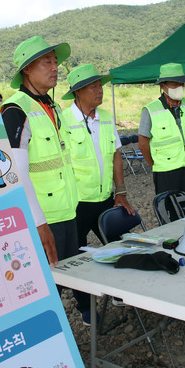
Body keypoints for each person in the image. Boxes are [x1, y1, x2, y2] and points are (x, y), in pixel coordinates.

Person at [0, 36, 93, 324]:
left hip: (66, 211)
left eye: (56, 62)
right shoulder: (16, 110)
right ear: (27, 69)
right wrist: (39, 222)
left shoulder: (50, 106)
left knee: (67, 276)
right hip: (41, 218)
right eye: (47, 62)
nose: (55, 68)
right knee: (40, 286)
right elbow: (16, 173)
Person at [61, 64, 134, 250]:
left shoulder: (107, 117)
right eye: (93, 86)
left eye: (100, 86)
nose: (100, 90)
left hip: (105, 199)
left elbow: (116, 155)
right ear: (78, 91)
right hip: (77, 204)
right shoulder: (63, 121)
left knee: (120, 248)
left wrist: (121, 192)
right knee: (76, 254)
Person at [138, 63, 185, 195]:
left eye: (182, 84)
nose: (179, 87)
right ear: (162, 86)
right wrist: (154, 164)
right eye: (174, 84)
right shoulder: (151, 110)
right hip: (166, 172)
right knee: (170, 211)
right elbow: (143, 143)